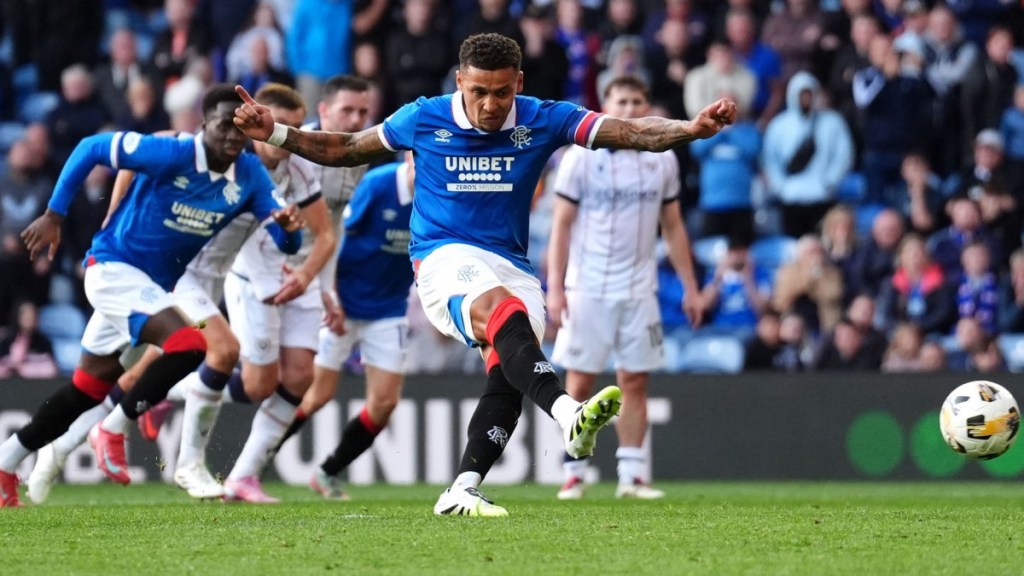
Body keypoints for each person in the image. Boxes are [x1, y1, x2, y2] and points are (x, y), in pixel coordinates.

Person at [232, 32, 737, 516]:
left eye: (500, 92)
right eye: (478, 92)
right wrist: (275, 132)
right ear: (460, 82)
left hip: (511, 264)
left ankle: (462, 487)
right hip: (441, 258)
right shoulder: (423, 117)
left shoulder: (542, 118)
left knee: (510, 368)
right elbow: (343, 147)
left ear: (517, 82)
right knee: (502, 311)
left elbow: (629, 131)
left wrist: (689, 129)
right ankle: (567, 413)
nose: (490, 104)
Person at [0, 85, 302, 508]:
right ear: (202, 125)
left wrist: (290, 231)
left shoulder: (250, 175)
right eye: (223, 126)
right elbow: (92, 147)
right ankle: (114, 428)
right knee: (192, 344)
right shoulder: (173, 153)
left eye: (240, 128)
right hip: (113, 268)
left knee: (87, 389)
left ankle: (8, 458)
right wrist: (55, 214)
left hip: (151, 286)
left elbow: (286, 240)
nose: (233, 136)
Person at [544, 76, 703, 501]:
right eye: (621, 101)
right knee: (579, 380)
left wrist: (691, 287)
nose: (630, 109)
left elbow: (673, 226)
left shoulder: (662, 159)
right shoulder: (580, 157)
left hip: (639, 288)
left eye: (637, 101)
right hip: (588, 286)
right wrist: (555, 290)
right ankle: (573, 472)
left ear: (647, 104)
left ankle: (632, 475)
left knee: (635, 381)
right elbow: (560, 227)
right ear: (606, 106)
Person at [216, 84, 338, 503]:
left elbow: (325, 235)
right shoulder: (237, 164)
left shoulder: (301, 169)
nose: (288, 135)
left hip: (294, 279)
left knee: (301, 377)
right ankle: (173, 388)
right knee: (257, 385)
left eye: (297, 126)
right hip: (253, 282)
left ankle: (244, 476)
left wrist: (307, 277)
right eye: (284, 125)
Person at [303, 154, 416, 500]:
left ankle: (327, 473)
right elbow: (336, 235)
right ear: (410, 156)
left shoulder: (442, 193)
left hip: (389, 309)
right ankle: (253, 467)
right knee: (315, 395)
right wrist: (330, 293)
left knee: (384, 404)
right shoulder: (378, 184)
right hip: (343, 304)